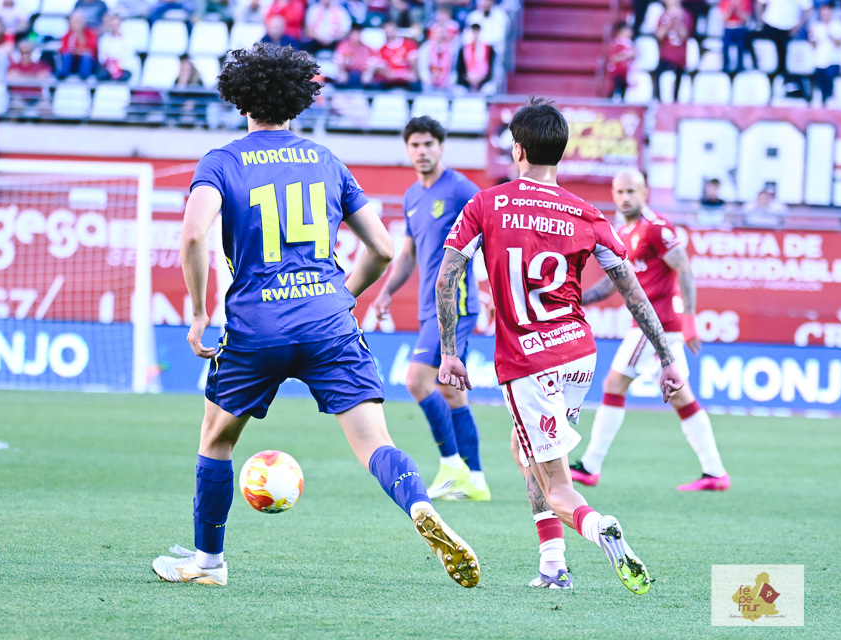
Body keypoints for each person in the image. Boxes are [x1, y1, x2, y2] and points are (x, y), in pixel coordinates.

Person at [152, 43, 481, 590]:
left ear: (241, 101)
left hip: (257, 325)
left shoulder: (222, 161)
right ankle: (419, 504)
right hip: (328, 320)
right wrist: (340, 298)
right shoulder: (326, 160)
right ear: (297, 102)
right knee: (374, 442)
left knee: (217, 440)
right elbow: (382, 248)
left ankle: (208, 561)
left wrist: (199, 312)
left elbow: (192, 235)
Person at [436, 98, 685, 594]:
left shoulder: (486, 204)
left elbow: (447, 279)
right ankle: (553, 566)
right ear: (561, 152)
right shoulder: (586, 213)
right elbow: (633, 292)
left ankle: (599, 527)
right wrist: (666, 357)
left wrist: (449, 351)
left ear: (518, 149)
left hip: (528, 361)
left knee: (557, 486)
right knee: (524, 446)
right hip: (577, 354)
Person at [569, 170, 731, 493]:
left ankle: (590, 466)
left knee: (614, 384)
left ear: (645, 193)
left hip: (655, 324)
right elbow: (614, 283)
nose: (625, 197)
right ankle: (715, 473)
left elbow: (684, 269)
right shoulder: (622, 231)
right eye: (619, 192)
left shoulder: (656, 228)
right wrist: (578, 298)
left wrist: (690, 320)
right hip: (651, 326)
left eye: (631, 191)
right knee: (682, 396)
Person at [372, 117, 489, 502]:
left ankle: (452, 465)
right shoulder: (411, 196)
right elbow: (408, 253)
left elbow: (491, 236)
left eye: (428, 144)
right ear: (408, 150)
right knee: (451, 392)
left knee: (416, 380)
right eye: (415, 145)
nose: (421, 151)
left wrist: (491, 288)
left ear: (441, 147)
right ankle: (475, 479)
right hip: (428, 306)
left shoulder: (460, 189)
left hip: (455, 303)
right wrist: (387, 292)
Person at [751, 0, 812, 77]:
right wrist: (760, 22)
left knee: (782, 58)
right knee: (749, 37)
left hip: (787, 28)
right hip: (770, 25)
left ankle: (782, 78)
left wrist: (798, 27)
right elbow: (759, 3)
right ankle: (755, 65)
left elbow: (808, 9)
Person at [652, 0, 693, 102]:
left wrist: (678, 22)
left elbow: (684, 35)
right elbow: (659, 35)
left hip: (680, 57)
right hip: (666, 56)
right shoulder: (663, 16)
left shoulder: (686, 15)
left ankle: (675, 101)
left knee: (679, 75)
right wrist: (668, 24)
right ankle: (659, 100)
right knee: (658, 74)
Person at [810, 3, 841, 105]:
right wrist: (812, 38)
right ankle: (824, 102)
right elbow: (813, 45)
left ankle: (830, 99)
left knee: (830, 80)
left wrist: (829, 34)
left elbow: (839, 43)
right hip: (819, 61)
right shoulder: (816, 26)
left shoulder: (838, 25)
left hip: (833, 60)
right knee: (820, 84)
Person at [373, 19, 419, 90]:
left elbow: (414, 60)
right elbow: (381, 66)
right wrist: (387, 73)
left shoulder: (408, 44)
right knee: (378, 84)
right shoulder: (382, 49)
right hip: (390, 80)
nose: (390, 33)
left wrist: (413, 72)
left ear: (396, 29)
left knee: (415, 84)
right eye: (387, 31)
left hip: (406, 77)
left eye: (391, 30)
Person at [57, 11, 98, 79]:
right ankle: (62, 75)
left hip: (86, 62)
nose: (76, 23)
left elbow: (91, 48)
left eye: (78, 21)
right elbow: (64, 49)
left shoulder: (91, 33)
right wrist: (76, 50)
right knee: (67, 55)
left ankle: (84, 76)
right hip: (72, 61)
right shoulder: (67, 35)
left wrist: (79, 34)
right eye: (74, 21)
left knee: (86, 56)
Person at [97, 13, 137, 81]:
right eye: (112, 25)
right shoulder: (104, 39)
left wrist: (116, 64)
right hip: (108, 67)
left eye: (116, 25)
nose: (114, 28)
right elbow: (102, 56)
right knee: (102, 75)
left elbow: (129, 55)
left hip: (123, 67)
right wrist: (110, 63)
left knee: (124, 76)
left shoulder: (128, 39)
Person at [333, 23, 374, 88]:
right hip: (347, 72)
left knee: (367, 79)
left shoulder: (366, 48)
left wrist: (368, 73)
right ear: (350, 34)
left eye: (358, 33)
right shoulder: (343, 46)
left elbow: (371, 62)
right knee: (342, 78)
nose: (356, 36)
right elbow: (338, 61)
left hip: (361, 73)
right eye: (354, 33)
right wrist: (342, 72)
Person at [456, 23, 495, 92]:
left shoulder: (488, 49)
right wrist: (468, 78)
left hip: (483, 79)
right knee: (459, 90)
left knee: (489, 89)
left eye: (477, 32)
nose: (475, 34)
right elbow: (460, 68)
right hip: (467, 80)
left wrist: (481, 78)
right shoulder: (463, 49)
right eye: (473, 32)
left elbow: (490, 67)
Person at [720, 0, 754, 73]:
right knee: (725, 44)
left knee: (741, 43)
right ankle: (725, 65)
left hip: (740, 27)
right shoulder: (725, 1)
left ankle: (740, 65)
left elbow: (747, 19)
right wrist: (730, 9)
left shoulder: (746, 1)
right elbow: (723, 18)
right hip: (728, 28)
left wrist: (739, 10)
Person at [607, 21, 636, 101]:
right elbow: (614, 58)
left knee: (624, 89)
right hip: (618, 71)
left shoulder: (630, 43)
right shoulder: (617, 44)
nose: (630, 33)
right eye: (628, 31)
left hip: (626, 72)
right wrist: (628, 55)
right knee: (617, 87)